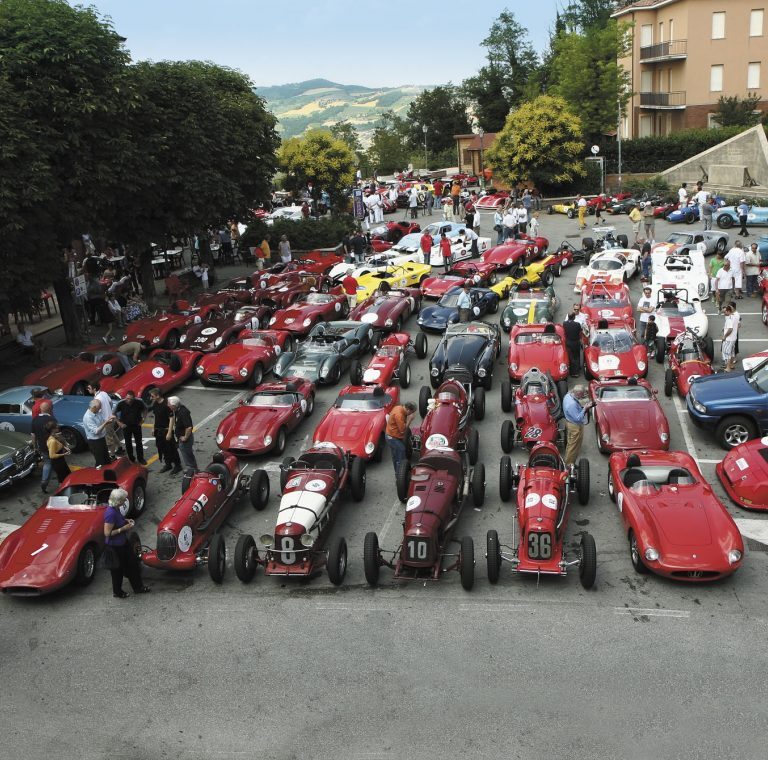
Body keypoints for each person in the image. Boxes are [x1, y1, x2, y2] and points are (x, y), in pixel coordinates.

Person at [103, 488, 150, 598]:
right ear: (118, 501)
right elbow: (107, 533)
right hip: (115, 547)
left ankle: (138, 587)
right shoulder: (110, 513)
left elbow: (118, 520)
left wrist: (126, 520)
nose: (125, 501)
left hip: (123, 543)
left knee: (132, 564)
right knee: (117, 570)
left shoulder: (116, 508)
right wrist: (123, 528)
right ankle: (118, 592)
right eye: (124, 500)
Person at [148, 388, 180, 473]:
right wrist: (153, 427)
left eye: (152, 396)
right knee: (162, 448)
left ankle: (177, 465)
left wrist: (169, 432)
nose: (151, 398)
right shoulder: (155, 404)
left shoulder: (166, 404)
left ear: (158, 396)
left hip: (166, 430)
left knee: (172, 448)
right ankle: (168, 464)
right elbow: (155, 416)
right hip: (158, 431)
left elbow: (171, 418)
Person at [87, 381, 122, 457]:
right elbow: (111, 403)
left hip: (106, 421)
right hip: (111, 418)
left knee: (109, 440)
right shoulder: (104, 393)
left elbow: (96, 411)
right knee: (112, 433)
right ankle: (120, 448)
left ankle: (112, 456)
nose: (87, 389)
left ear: (94, 389)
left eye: (89, 388)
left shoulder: (97, 399)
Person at [562, 385, 594, 466]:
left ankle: (570, 462)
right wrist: (585, 408)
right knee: (573, 447)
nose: (583, 396)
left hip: (570, 422)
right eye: (582, 394)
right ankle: (569, 465)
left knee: (571, 445)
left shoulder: (568, 395)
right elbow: (578, 418)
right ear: (578, 393)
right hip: (574, 426)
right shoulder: (572, 404)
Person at [114, 390, 147, 465]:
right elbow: (113, 413)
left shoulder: (139, 402)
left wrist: (143, 419)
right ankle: (131, 459)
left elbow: (145, 409)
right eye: (127, 398)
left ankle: (140, 458)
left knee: (139, 442)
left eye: (130, 399)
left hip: (137, 425)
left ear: (134, 398)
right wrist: (119, 423)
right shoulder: (121, 403)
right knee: (128, 444)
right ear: (125, 397)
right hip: (126, 427)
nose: (128, 400)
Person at [384, 401, 416, 474]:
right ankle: (401, 475)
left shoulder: (398, 407)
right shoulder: (399, 415)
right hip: (393, 438)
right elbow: (403, 430)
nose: (411, 414)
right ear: (408, 410)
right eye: (411, 413)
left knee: (395, 456)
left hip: (390, 435)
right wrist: (410, 420)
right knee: (401, 457)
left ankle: (398, 474)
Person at [168, 396, 197, 472]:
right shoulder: (177, 410)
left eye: (169, 404)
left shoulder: (183, 412)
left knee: (187, 453)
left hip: (185, 439)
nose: (168, 405)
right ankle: (192, 468)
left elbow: (189, 427)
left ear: (174, 405)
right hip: (181, 437)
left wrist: (185, 437)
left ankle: (191, 469)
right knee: (187, 453)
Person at [32, 401, 56, 492]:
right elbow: (56, 434)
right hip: (53, 445)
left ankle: (44, 481)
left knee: (47, 463)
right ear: (49, 409)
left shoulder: (35, 419)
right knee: (57, 462)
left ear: (41, 409)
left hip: (42, 446)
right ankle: (63, 480)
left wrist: (35, 447)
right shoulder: (52, 419)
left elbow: (33, 435)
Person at [83, 398, 113, 467]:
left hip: (101, 439)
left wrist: (108, 420)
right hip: (95, 442)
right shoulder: (88, 417)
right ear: (93, 407)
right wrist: (106, 423)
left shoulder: (96, 412)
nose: (100, 409)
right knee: (100, 462)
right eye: (99, 408)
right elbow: (96, 431)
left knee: (106, 458)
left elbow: (102, 421)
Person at [46, 420, 71, 485]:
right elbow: (52, 455)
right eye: (56, 427)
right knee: (63, 478)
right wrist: (64, 454)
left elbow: (59, 444)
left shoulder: (54, 436)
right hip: (58, 462)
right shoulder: (52, 441)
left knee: (67, 475)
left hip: (61, 460)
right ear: (53, 429)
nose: (58, 428)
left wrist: (65, 448)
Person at [563, 312, 583, 377]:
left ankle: (571, 372)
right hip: (576, 342)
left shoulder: (564, 324)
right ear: (574, 317)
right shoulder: (577, 324)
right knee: (576, 356)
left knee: (570, 357)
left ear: (568, 317)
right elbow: (580, 333)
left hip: (568, 342)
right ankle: (576, 372)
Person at [721, 303, 739, 371]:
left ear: (728, 311)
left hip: (728, 339)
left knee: (726, 353)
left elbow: (730, 329)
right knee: (731, 352)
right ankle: (731, 365)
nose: (724, 313)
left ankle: (728, 367)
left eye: (725, 311)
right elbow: (737, 325)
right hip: (734, 338)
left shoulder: (729, 319)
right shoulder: (736, 316)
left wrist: (724, 336)